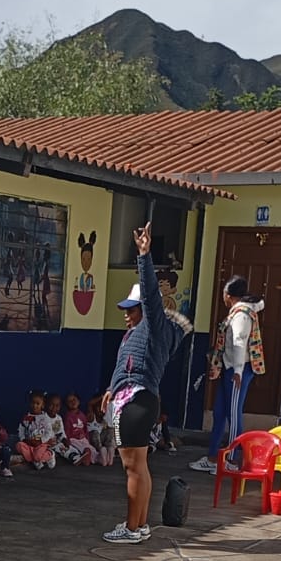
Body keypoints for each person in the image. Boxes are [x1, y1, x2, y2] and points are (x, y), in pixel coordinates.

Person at [101, 220, 192, 542]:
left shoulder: (154, 328)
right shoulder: (137, 334)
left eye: (132, 309)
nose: (126, 314)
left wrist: (143, 255)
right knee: (139, 466)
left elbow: (152, 296)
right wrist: (111, 389)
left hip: (137, 403)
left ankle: (131, 527)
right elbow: (126, 367)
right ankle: (139, 526)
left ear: (147, 310)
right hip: (137, 400)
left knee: (133, 468)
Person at [190, 277, 266, 474]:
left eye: (224, 293)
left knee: (233, 414)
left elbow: (240, 343)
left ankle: (231, 461)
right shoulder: (237, 312)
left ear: (229, 295)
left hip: (237, 371)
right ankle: (213, 458)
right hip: (229, 368)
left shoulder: (241, 315)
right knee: (219, 412)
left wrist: (238, 372)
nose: (223, 297)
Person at [61, 394, 96, 464]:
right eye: (69, 401)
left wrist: (87, 440)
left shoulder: (82, 415)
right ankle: (85, 458)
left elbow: (85, 429)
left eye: (74, 399)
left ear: (79, 401)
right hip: (74, 440)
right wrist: (68, 441)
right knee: (80, 449)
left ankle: (99, 458)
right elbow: (67, 431)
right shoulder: (68, 417)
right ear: (66, 404)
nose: (72, 402)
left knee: (92, 450)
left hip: (83, 439)